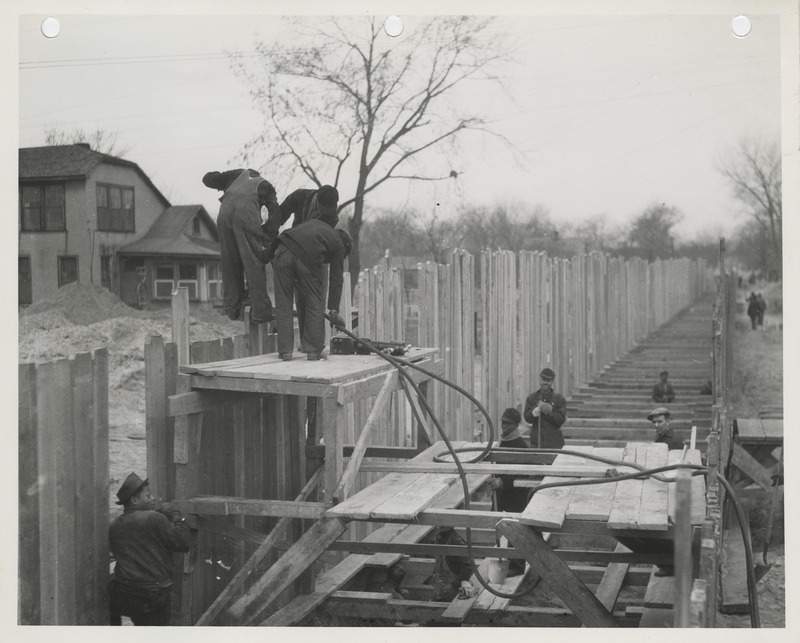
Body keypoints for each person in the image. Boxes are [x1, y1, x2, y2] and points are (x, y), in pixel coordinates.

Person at [109, 473, 191, 626]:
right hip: (153, 595)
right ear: (134, 500)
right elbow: (183, 543)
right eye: (148, 495)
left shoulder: (114, 526)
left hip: (123, 593)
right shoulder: (154, 518)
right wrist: (176, 516)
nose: (153, 498)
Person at [202, 168, 281, 323]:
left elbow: (207, 179)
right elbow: (275, 211)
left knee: (230, 262)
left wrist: (219, 179)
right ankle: (260, 312)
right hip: (247, 216)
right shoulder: (266, 186)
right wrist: (269, 235)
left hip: (224, 215)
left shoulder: (235, 175)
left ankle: (233, 308)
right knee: (253, 262)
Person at [268, 218, 352, 360]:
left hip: (281, 249)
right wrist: (333, 309)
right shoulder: (339, 245)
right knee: (315, 302)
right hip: (304, 257)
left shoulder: (319, 228)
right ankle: (313, 351)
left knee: (283, 305)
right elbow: (336, 278)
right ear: (346, 245)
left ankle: (285, 352)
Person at [488, 407, 530, 576]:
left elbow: (522, 473)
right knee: (500, 526)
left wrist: (502, 482)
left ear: (515, 425)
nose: (504, 427)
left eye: (508, 424)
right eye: (503, 424)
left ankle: (517, 566)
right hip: (502, 495)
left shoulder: (520, 446)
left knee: (516, 530)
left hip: (515, 496)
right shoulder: (503, 443)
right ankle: (503, 558)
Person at [262, 185, 340, 244]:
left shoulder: (332, 219)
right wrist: (268, 232)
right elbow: (279, 217)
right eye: (326, 209)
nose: (329, 213)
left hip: (313, 250)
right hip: (293, 241)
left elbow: (321, 240)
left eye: (332, 208)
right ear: (317, 200)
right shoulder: (300, 196)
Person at [523, 367, 567, 449]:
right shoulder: (532, 398)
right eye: (543, 380)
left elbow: (561, 420)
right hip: (537, 442)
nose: (545, 383)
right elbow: (526, 417)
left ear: (552, 382)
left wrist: (551, 411)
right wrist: (532, 413)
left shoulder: (559, 399)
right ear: (540, 380)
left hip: (554, 443)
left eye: (548, 381)